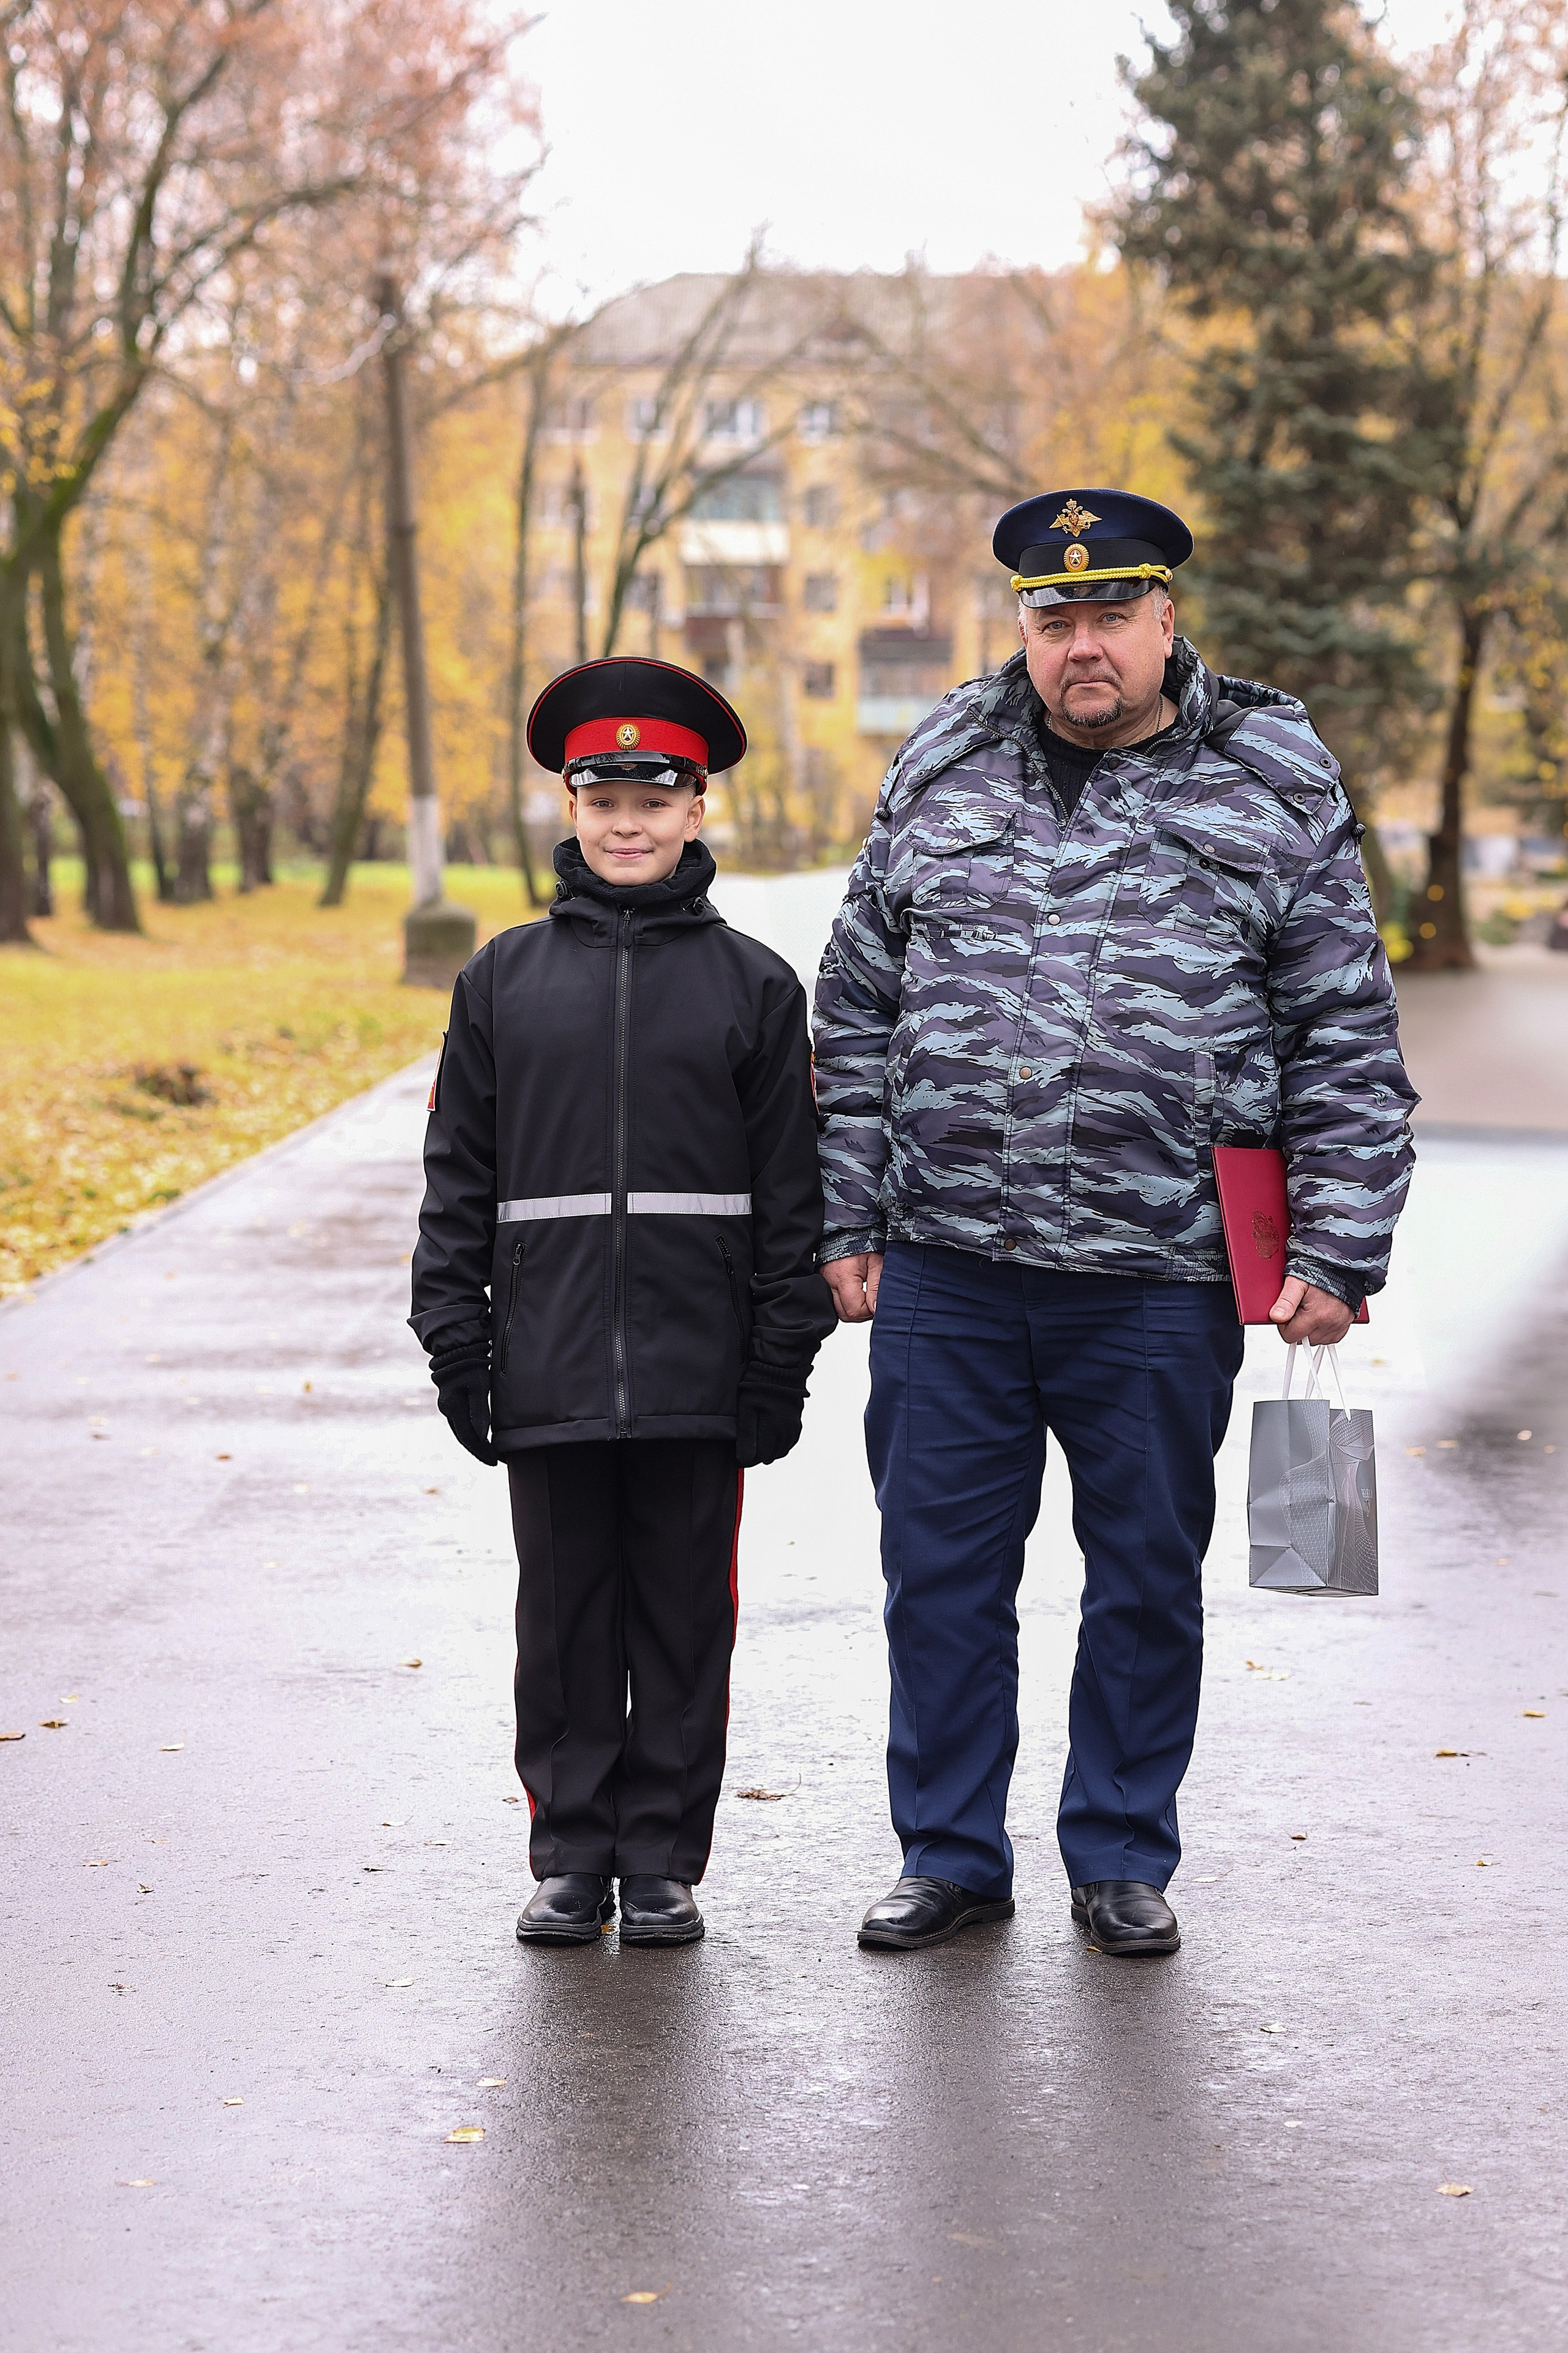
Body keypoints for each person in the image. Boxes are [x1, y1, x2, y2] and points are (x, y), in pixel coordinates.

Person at [813, 489, 1417, 1956]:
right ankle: (949, 1850)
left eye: (1106, 615)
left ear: (1164, 620)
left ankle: (1119, 1850)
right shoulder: (943, 757)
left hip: (1158, 1270)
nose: (1079, 644)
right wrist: (845, 1209)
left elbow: (1341, 1025)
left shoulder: (1269, 774)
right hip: (948, 1260)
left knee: (1143, 1575)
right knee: (938, 1575)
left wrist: (1338, 1246)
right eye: (1050, 616)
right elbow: (856, 999)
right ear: (1020, 625)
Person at [410, 656, 835, 1949]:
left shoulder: (755, 987)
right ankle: (569, 1851)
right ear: (571, 806)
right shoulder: (499, 980)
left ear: (698, 808)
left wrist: (780, 1360)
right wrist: (454, 1343)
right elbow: (455, 1179)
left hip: (699, 1371)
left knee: (682, 1618)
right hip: (540, 1364)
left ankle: (661, 1858)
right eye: (603, 796)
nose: (628, 821)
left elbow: (790, 1197)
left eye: (655, 795)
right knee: (563, 1621)